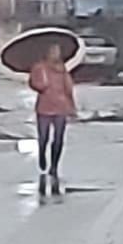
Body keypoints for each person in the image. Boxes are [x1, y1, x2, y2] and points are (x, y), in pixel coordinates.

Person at [29, 43, 76, 184]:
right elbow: (33, 83)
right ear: (47, 53)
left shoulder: (62, 69)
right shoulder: (39, 68)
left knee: (59, 138)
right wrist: (40, 85)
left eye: (58, 51)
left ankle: (54, 166)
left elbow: (68, 88)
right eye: (53, 51)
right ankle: (42, 153)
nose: (56, 54)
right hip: (44, 107)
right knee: (43, 137)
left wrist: (72, 106)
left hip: (61, 107)